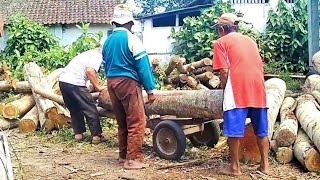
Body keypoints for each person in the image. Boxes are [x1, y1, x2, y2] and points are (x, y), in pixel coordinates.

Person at [212, 13, 269, 176]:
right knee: (261, 130)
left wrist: (224, 89)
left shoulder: (221, 42)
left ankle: (235, 167)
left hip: (238, 89)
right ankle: (265, 166)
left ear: (222, 29)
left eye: (218, 29)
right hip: (258, 88)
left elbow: (223, 71)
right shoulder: (250, 40)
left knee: (233, 131)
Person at [102, 4, 156, 170]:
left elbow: (106, 64)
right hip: (128, 83)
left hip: (111, 82)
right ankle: (133, 159)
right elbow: (143, 66)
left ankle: (123, 155)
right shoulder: (131, 39)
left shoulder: (107, 41)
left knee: (122, 120)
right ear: (129, 23)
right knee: (137, 121)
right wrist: (150, 90)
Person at [59, 45, 107, 144]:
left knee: (75, 109)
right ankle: (96, 136)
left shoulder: (86, 54)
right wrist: (98, 87)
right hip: (75, 82)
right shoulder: (97, 55)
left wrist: (92, 85)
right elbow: (90, 71)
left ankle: (78, 135)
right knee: (90, 108)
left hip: (63, 81)